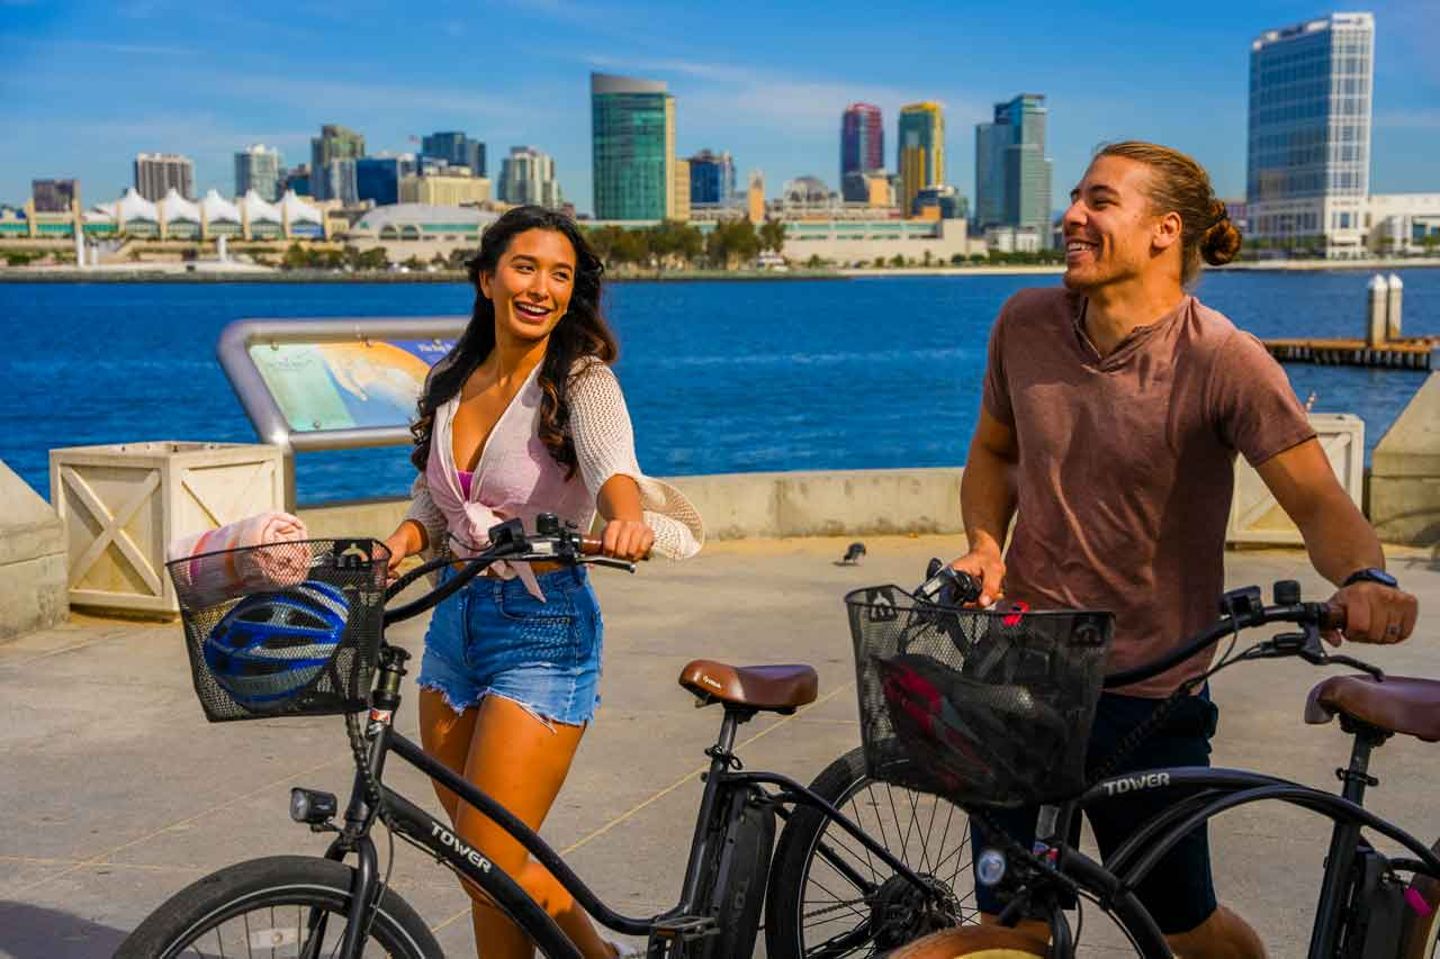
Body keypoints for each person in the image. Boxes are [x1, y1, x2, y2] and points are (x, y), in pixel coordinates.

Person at [949, 141, 1418, 958]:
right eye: (1074, 199)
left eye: (1099, 201)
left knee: (1184, 933)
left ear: (1166, 230)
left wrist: (1366, 576)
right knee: (1011, 921)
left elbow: (1316, 498)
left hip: (1149, 690)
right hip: (1020, 666)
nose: (1072, 217)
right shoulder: (1024, 323)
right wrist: (987, 546)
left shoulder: (1221, 359)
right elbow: (994, 452)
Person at [383, 206, 703, 959]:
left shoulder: (580, 379)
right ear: (487, 277)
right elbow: (440, 496)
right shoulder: (451, 376)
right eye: (526, 267)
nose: (542, 287)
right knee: (478, 862)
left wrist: (625, 520)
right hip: (452, 622)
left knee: (492, 856)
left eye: (560, 275)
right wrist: (395, 542)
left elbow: (611, 467)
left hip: (541, 629)